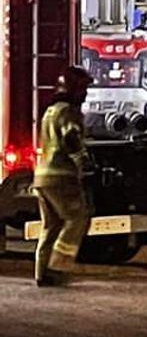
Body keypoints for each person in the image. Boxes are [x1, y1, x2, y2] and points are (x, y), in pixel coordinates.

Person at [33, 65, 94, 287]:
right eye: (84, 89)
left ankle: (42, 273)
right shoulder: (69, 111)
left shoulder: (51, 110)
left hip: (42, 176)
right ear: (74, 89)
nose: (86, 94)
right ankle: (58, 267)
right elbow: (71, 139)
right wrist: (84, 163)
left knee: (51, 226)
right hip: (62, 176)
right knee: (77, 219)